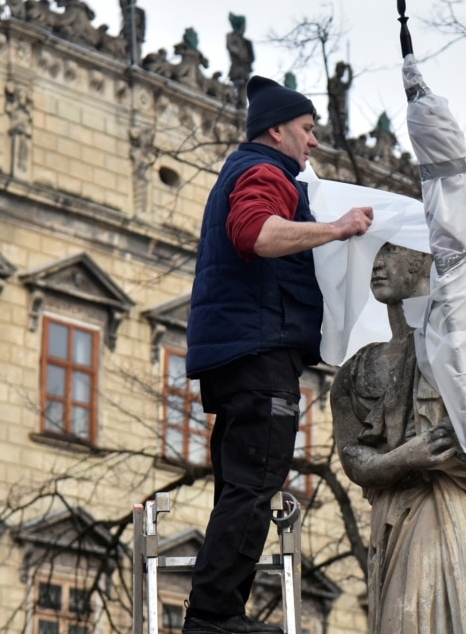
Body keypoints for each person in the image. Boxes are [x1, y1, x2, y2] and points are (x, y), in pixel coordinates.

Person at [182, 76, 374, 634]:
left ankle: (214, 611)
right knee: (256, 480)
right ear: (277, 129)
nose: (313, 142)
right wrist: (337, 228)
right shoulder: (263, 172)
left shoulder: (246, 172)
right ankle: (215, 618)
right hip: (257, 352)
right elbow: (256, 234)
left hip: (238, 352)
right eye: (307, 130)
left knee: (242, 483)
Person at [331, 242, 466, 634]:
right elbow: (352, 458)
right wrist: (406, 458)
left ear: (422, 259)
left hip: (446, 509)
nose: (377, 262)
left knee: (418, 616)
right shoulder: (356, 370)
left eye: (391, 249)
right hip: (391, 514)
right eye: (374, 252)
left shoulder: (463, 349)